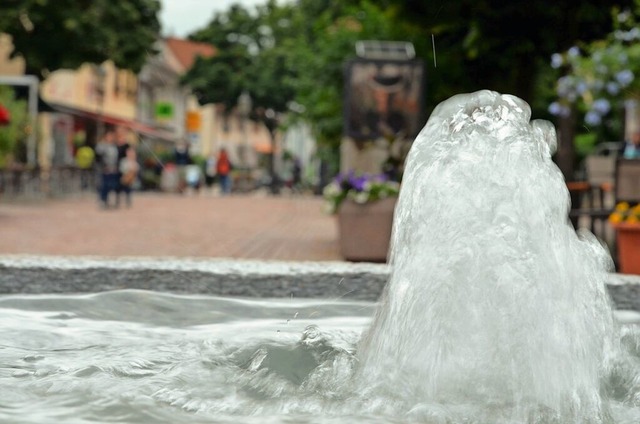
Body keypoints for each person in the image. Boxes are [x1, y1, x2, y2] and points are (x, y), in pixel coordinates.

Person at [94, 129, 119, 209]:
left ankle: (108, 201)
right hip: (104, 169)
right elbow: (98, 158)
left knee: (110, 185)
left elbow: (116, 158)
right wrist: (104, 167)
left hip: (112, 169)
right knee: (104, 185)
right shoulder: (101, 146)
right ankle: (103, 200)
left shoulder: (113, 147)